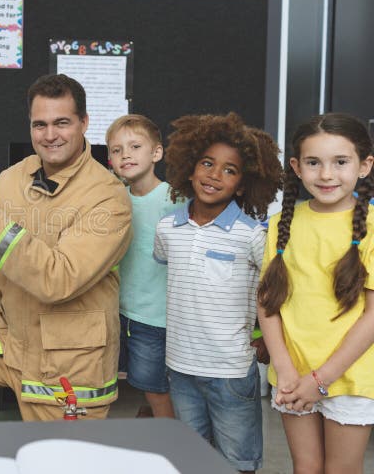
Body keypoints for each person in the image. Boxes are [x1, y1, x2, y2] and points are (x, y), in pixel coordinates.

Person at [0, 73, 133, 422]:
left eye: (62, 123)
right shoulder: (12, 178)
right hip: (6, 341)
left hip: (67, 363)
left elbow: (58, 280)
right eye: (39, 124)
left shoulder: (108, 196)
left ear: (84, 123)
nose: (49, 135)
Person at [153, 112, 281, 472]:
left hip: (230, 370)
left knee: (237, 461)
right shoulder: (167, 229)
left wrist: (267, 341)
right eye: (207, 164)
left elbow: (273, 292)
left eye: (229, 169)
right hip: (179, 367)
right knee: (192, 458)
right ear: (190, 170)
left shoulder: (253, 234)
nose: (214, 175)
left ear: (242, 184)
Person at [258, 113, 374, 473]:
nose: (326, 175)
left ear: (365, 165)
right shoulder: (282, 223)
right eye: (313, 163)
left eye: (340, 162)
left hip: (350, 378)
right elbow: (268, 302)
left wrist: (320, 381)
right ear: (296, 167)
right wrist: (285, 368)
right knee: (305, 468)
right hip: (292, 374)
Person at [106, 114, 177, 418]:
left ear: (156, 153)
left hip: (155, 315)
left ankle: (169, 438)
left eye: (135, 146)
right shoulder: (114, 198)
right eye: (117, 150)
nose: (126, 155)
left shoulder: (174, 199)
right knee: (113, 378)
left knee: (154, 385)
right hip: (118, 309)